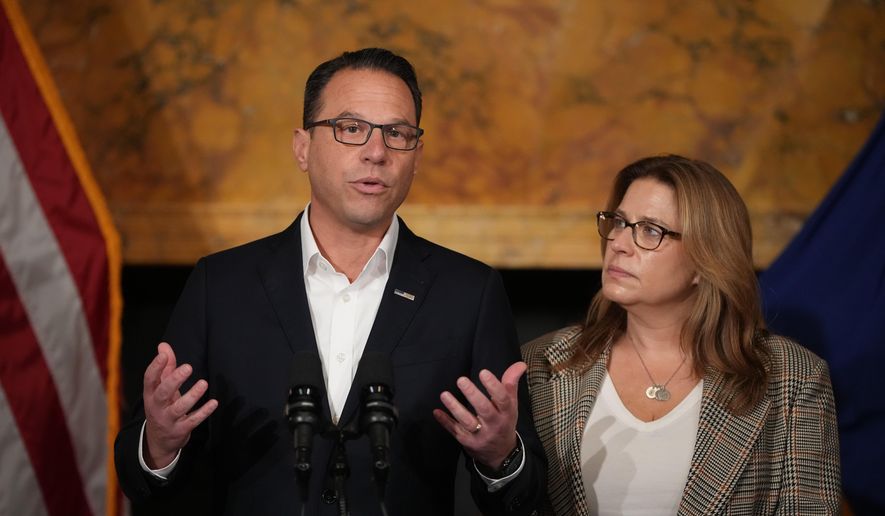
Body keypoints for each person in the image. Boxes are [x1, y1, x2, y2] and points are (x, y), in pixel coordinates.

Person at [115, 48, 546, 515]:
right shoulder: (220, 286)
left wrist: (503, 459)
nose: (376, 152)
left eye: (397, 133)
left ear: (416, 157)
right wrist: (158, 445)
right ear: (302, 147)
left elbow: (525, 500)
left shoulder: (468, 293)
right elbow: (143, 484)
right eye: (351, 129)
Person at [522, 155, 841, 515]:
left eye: (650, 230)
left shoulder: (792, 377)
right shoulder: (542, 363)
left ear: (707, 261)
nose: (619, 243)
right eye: (619, 222)